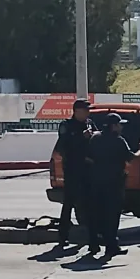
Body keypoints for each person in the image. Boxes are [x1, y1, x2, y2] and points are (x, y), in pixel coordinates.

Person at [87, 113, 140, 256]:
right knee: (112, 216)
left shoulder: (95, 139)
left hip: (96, 183)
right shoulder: (119, 141)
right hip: (113, 184)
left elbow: (88, 159)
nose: (121, 127)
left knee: (96, 215)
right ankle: (111, 246)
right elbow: (133, 158)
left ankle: (93, 244)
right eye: (119, 124)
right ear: (113, 126)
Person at [55, 99, 96, 246]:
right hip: (73, 170)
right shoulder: (67, 125)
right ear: (77, 111)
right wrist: (80, 137)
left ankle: (91, 237)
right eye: (85, 110)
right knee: (69, 204)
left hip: (88, 170)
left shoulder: (89, 123)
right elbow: (64, 146)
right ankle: (62, 236)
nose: (88, 113)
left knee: (89, 204)